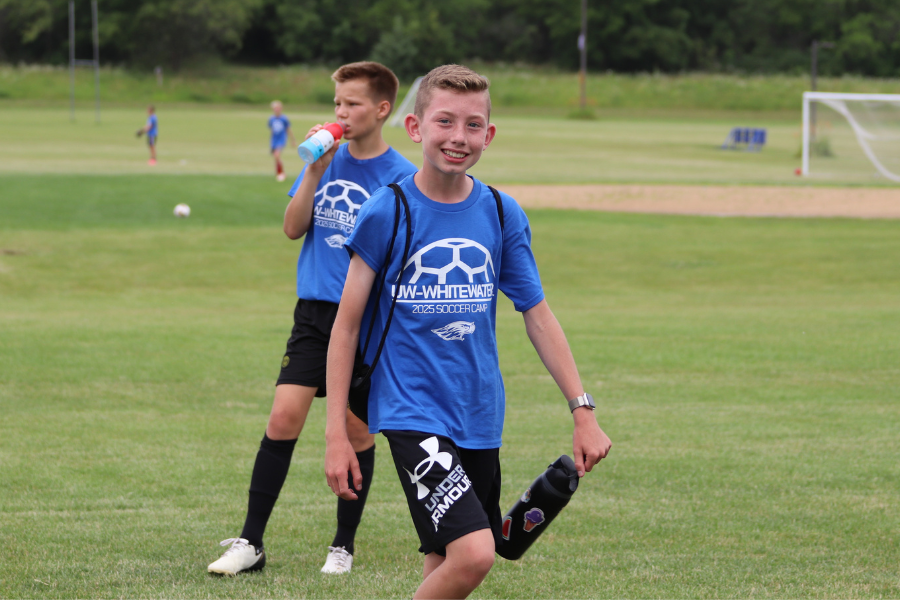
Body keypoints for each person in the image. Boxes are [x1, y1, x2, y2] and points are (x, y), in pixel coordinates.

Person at [324, 64, 612, 599]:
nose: (459, 137)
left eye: (473, 125)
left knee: (444, 562)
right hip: (411, 411)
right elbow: (345, 327)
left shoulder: (501, 212)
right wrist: (337, 434)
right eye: (445, 122)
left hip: (480, 413)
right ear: (415, 127)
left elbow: (538, 314)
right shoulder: (388, 210)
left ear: (489, 134)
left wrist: (583, 410)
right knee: (476, 553)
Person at [207, 62, 417, 577]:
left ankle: (342, 545)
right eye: (337, 104)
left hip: (367, 321)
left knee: (356, 433)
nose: (341, 113)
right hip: (314, 314)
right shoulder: (326, 160)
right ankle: (251, 543)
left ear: (382, 109)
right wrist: (318, 171)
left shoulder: (402, 177)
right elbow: (292, 227)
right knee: (283, 418)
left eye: (352, 104)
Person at [268, 100, 296, 182]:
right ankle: (278, 172)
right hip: (274, 140)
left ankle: (281, 173)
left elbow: (288, 129)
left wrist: (292, 140)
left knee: (277, 155)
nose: (276, 110)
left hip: (281, 140)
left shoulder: (284, 119)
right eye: (275, 108)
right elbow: (272, 130)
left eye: (278, 108)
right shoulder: (271, 119)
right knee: (276, 158)